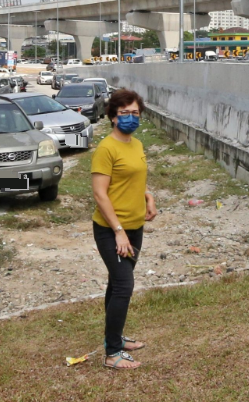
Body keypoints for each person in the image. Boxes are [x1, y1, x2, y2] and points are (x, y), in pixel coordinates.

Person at [91, 88, 158, 370]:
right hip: (110, 229)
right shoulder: (107, 148)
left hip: (135, 226)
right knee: (124, 285)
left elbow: (134, 181)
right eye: (124, 113)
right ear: (113, 116)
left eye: (135, 113)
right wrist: (118, 230)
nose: (130, 118)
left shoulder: (137, 145)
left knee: (117, 283)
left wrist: (149, 197)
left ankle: (114, 338)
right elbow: (100, 194)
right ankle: (113, 354)